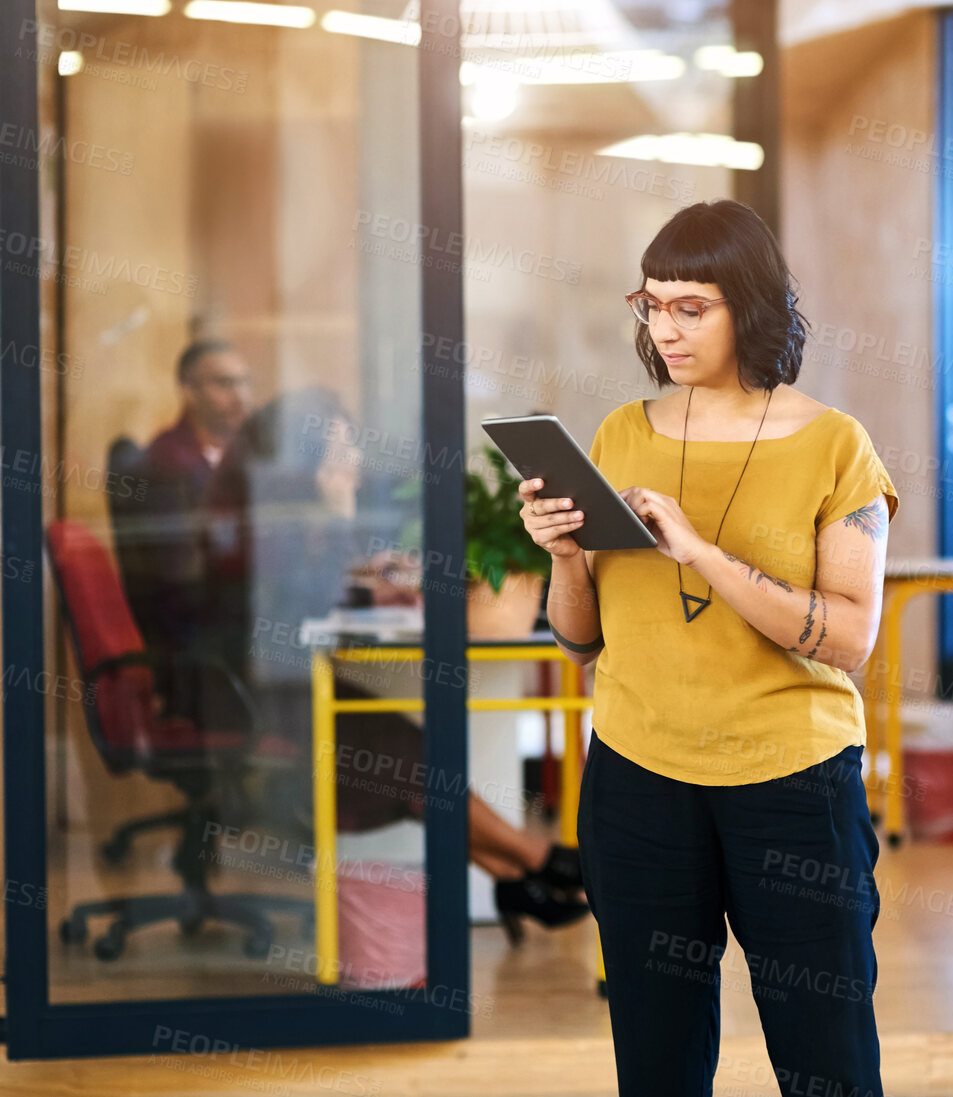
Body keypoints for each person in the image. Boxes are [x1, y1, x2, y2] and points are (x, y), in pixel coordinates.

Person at [518, 199, 896, 1095]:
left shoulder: (835, 444)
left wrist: (702, 554)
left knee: (826, 1058)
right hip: (639, 781)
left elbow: (848, 638)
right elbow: (579, 639)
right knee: (656, 1059)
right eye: (651, 304)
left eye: (693, 306)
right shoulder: (619, 434)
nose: (666, 327)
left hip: (791, 785)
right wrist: (564, 556)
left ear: (751, 306)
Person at [200, 386, 589, 942]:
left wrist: (365, 579)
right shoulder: (267, 521)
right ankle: (534, 859)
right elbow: (299, 611)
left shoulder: (269, 514)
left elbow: (308, 598)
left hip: (279, 688)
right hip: (263, 700)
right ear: (308, 463)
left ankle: (513, 871)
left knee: (412, 756)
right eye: (342, 450)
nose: (355, 459)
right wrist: (339, 516)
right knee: (414, 765)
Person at [116, 340, 253, 708]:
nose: (240, 396)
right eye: (223, 384)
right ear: (188, 392)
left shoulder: (243, 459)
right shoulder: (167, 465)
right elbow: (182, 576)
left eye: (245, 383)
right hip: (202, 648)